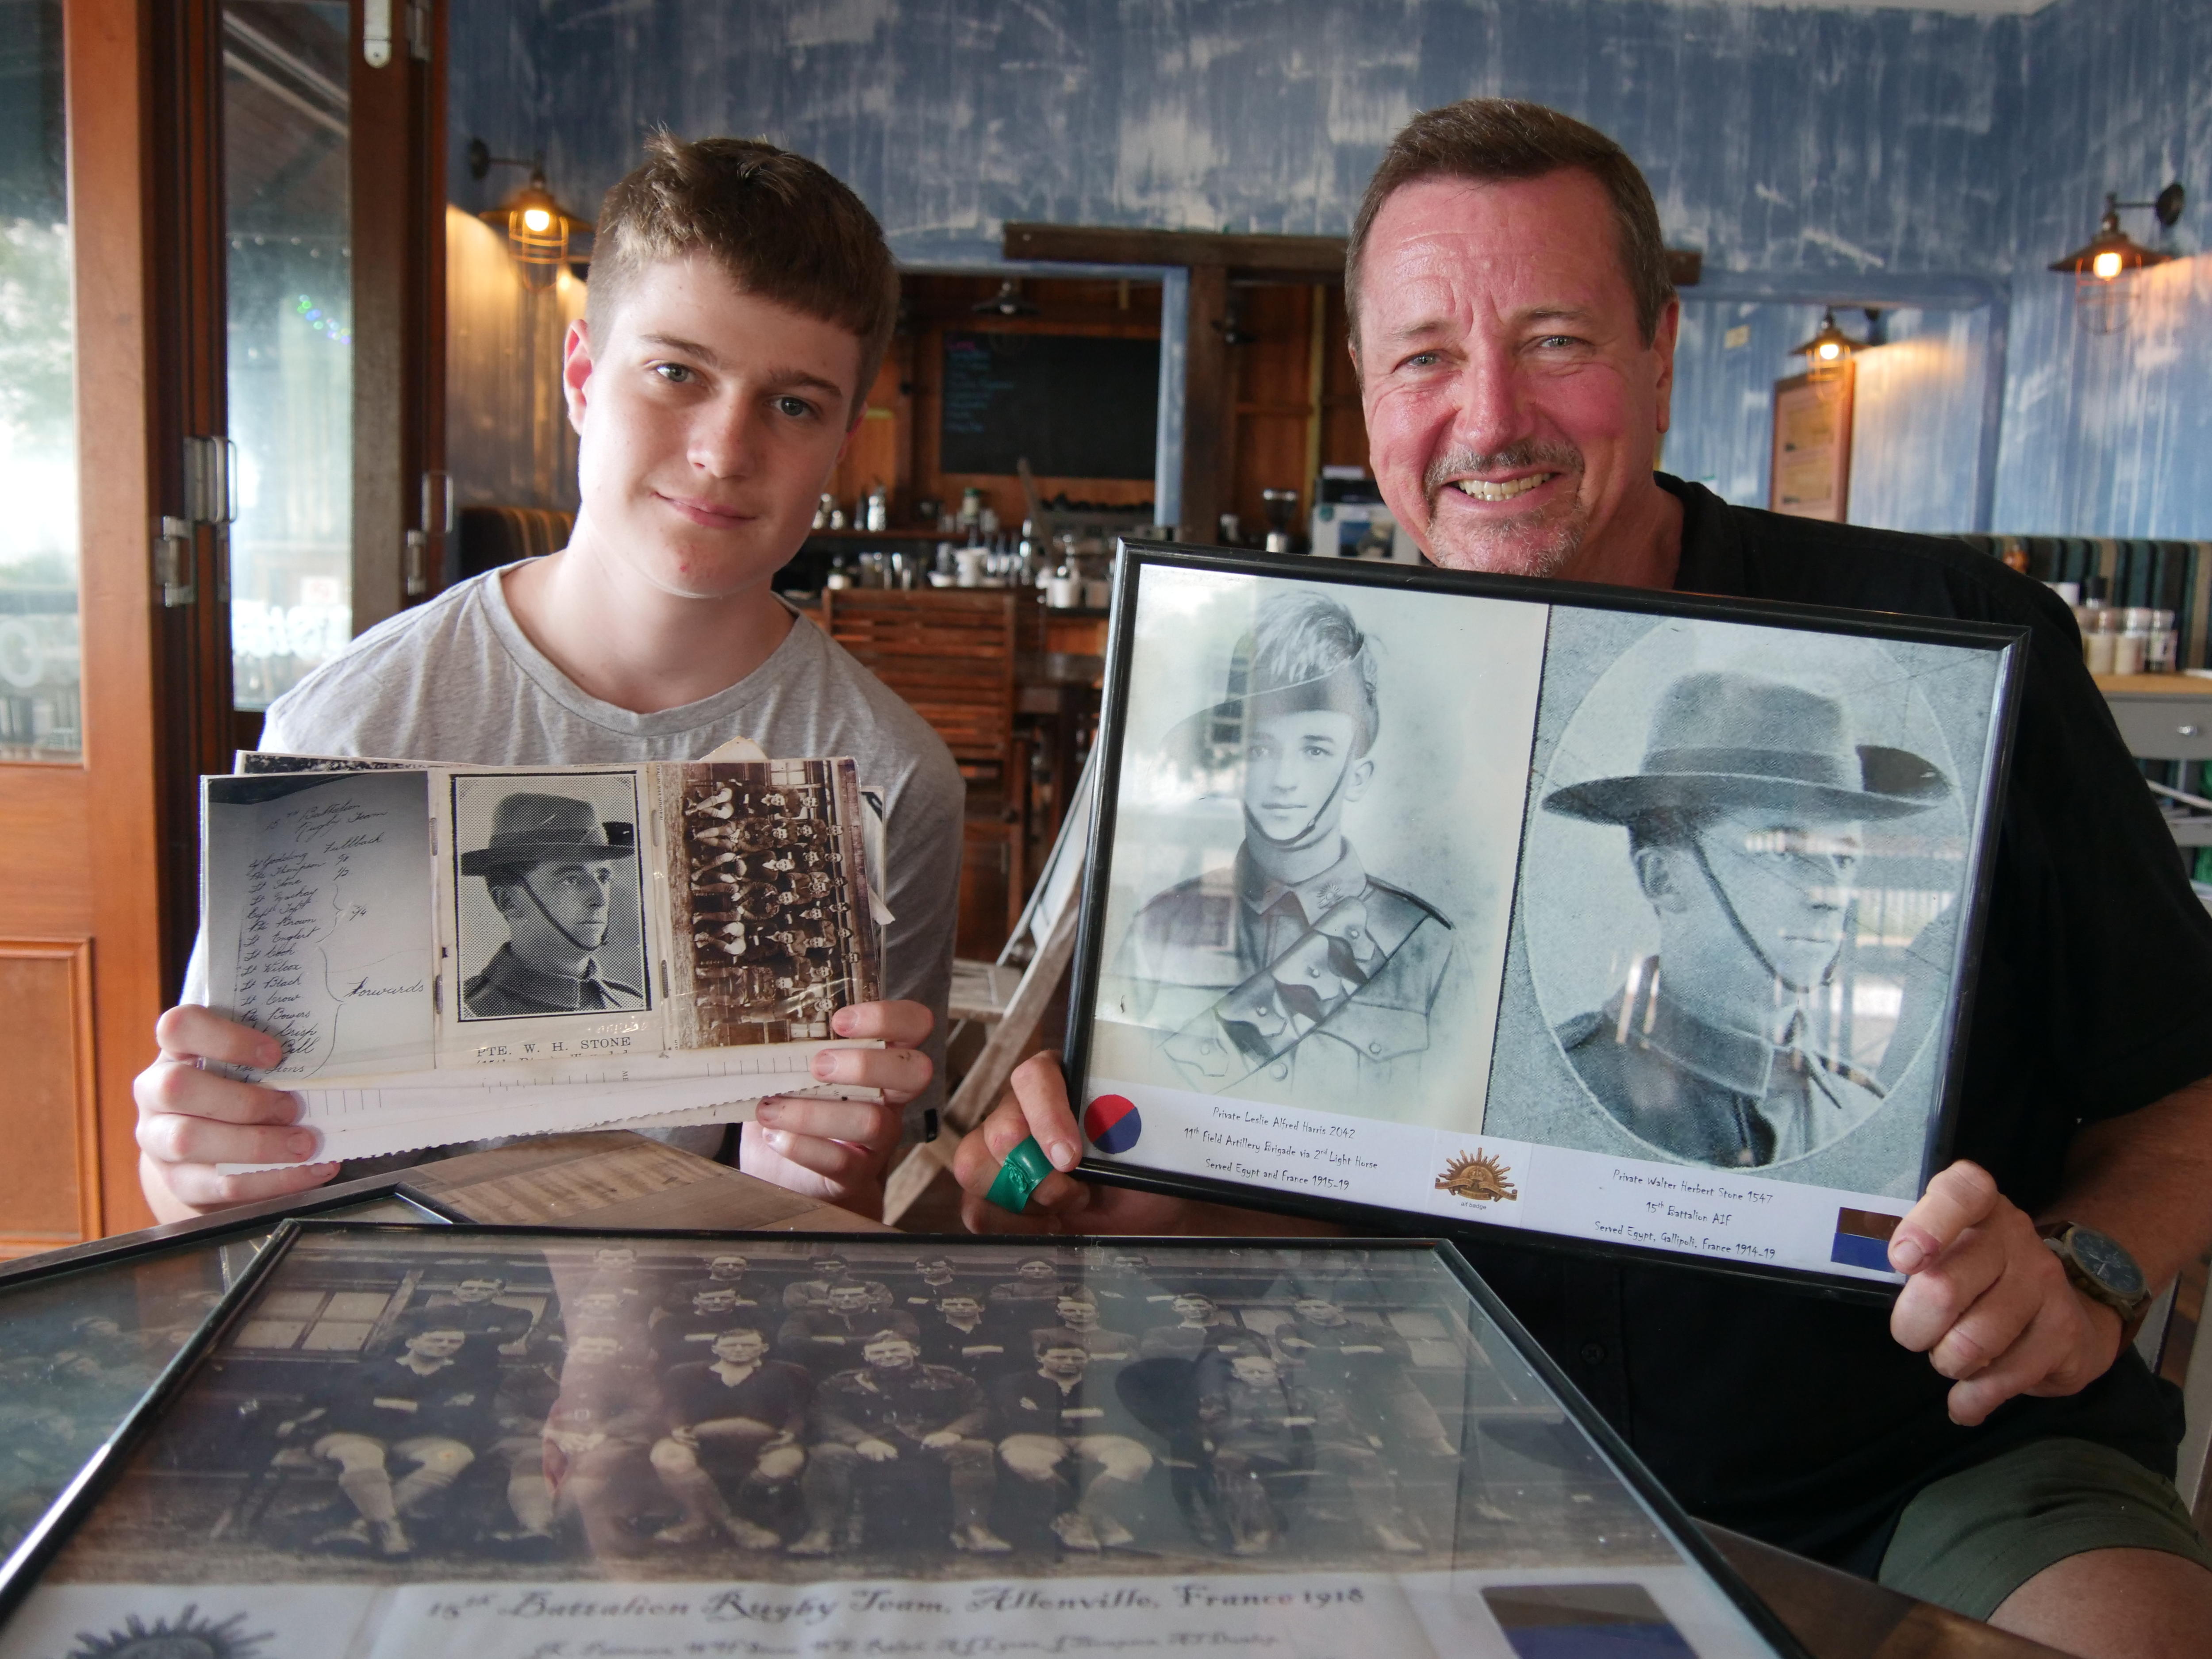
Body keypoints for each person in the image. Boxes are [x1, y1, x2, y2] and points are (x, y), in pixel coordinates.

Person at [955, 100, 2212, 1656]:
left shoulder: (1959, 641)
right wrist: (1098, 1178)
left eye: (1555, 341)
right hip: (1438, 1447)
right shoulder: (1339, 694)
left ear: (1662, 350)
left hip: (1931, 1458)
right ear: (1365, 394)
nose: (1492, 420)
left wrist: (2084, 1271)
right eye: (1426, 357)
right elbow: (1327, 1173)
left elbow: (2186, 1086)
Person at [133, 132, 961, 1223]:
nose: (723, 448)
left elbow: (841, 1198)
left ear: (844, 441)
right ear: (581, 377)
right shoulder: (354, 715)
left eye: (793, 404)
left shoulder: (893, 775)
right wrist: (191, 1163)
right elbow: (215, 1180)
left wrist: (832, 1173)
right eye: (676, 372)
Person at [1543, 672, 1949, 1167]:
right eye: (1783, 851)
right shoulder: (1559, 1087)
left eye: (1843, 860)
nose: (1830, 898)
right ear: (1662, 878)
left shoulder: (1859, 1119)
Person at [1109, 589, 1466, 1102]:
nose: (1283, 779)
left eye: (1315, 749)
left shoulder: (1427, 951)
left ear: (1358, 775)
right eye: (1259, 747)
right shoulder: (1158, 930)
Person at [792, 1329, 1006, 1555]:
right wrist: (861, 1440)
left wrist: (954, 1432)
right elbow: (823, 1415)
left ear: (915, 1351)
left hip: (930, 1441)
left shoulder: (949, 1378)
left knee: (975, 1450)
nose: (887, 1356)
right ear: (866, 1356)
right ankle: (823, 1533)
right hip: (869, 1442)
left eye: (896, 1350)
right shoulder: (841, 1382)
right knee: (828, 1454)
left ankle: (972, 1529)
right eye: (878, 1352)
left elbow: (981, 1409)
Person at [291, 1325, 498, 1558]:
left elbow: (466, 1415)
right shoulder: (371, 1371)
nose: (445, 1346)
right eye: (437, 1339)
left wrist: (402, 1405)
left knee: (455, 1456)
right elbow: (349, 1409)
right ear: (411, 1341)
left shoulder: (466, 1377)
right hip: (355, 1435)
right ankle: (390, 1535)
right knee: (364, 1455)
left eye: (454, 1342)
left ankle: (361, 1526)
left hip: (420, 1440)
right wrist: (429, 1410)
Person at [1197, 1348, 1425, 1557]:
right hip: (1257, 1450)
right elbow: (1218, 1424)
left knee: (1363, 1458)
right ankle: (1260, 1533)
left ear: (1277, 1374)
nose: (1257, 1376)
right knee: (1227, 1462)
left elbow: (1335, 1416)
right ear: (1236, 1373)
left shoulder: (1305, 1394)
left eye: (1264, 1372)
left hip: (1312, 1449)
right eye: (1250, 1372)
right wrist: (1280, 1423)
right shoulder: (1223, 1398)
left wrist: (1308, 1426)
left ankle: (1384, 1529)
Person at [458, 792, 646, 1017]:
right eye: (571, 880)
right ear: (507, 901)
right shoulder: (470, 1011)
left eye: (602, 877)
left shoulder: (630, 1004)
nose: (600, 899)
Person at [990, 1329, 1153, 1550]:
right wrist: (1085, 1414)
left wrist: (1044, 1413)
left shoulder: (1104, 1383)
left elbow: (1118, 1417)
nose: (1069, 1362)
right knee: (1026, 1462)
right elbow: (1017, 1417)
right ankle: (1082, 1516)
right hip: (1036, 1439)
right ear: (1041, 1358)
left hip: (1095, 1438)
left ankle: (1084, 1517)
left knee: (1135, 1462)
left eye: (1078, 1358)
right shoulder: (1016, 1382)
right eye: (1060, 1357)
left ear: (1087, 1360)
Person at [649, 1325, 810, 1548]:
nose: (739, 1350)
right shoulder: (686, 1373)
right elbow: (672, 1407)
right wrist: (676, 1428)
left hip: (766, 1443)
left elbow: (799, 1410)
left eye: (748, 1345)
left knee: (786, 1463)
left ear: (764, 1348)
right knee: (669, 1457)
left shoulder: (787, 1373)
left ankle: (737, 1517)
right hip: (699, 1441)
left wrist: (791, 1433)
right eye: (731, 1345)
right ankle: (726, 1524)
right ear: (715, 1348)